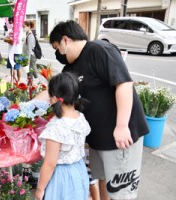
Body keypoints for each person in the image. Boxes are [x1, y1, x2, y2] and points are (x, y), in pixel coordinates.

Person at [47, 20, 149, 200]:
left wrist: (122, 126)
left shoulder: (100, 50)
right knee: (103, 179)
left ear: (65, 40)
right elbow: (55, 89)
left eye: (57, 48)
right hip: (97, 140)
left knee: (120, 190)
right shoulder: (71, 67)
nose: (58, 54)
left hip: (120, 137)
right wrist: (28, 106)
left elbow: (124, 84)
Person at [35, 72, 91, 200]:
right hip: (79, 170)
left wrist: (40, 189)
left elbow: (50, 163)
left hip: (61, 177)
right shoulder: (80, 117)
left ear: (54, 98)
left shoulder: (56, 128)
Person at [4, 17, 23, 83]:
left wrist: (9, 40)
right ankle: (12, 80)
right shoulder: (9, 31)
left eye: (10, 22)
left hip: (18, 52)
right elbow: (5, 39)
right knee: (11, 68)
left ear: (13, 22)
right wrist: (10, 40)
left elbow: (15, 41)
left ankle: (18, 81)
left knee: (18, 68)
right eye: (9, 22)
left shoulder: (19, 31)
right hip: (10, 52)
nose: (10, 24)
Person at [22, 20, 38, 86]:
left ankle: (38, 83)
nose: (23, 28)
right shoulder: (27, 34)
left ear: (28, 26)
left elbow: (30, 49)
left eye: (24, 26)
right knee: (28, 71)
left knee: (32, 70)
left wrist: (28, 59)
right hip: (25, 55)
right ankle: (30, 85)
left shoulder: (30, 35)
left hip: (30, 56)